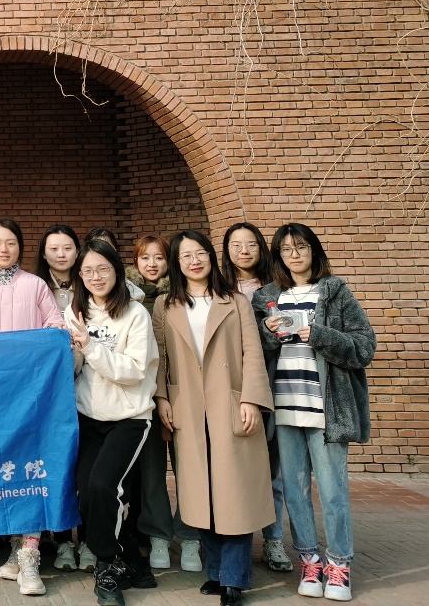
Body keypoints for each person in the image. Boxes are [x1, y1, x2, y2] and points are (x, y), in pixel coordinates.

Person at [254, 225, 375, 603]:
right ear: (278, 256)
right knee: (294, 491)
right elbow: (252, 352)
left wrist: (320, 335)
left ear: (314, 251)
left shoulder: (334, 291)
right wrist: (267, 332)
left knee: (333, 490)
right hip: (285, 408)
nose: (294, 255)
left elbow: (364, 346)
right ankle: (309, 561)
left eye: (301, 247)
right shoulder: (267, 296)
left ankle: (339, 564)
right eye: (286, 249)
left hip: (326, 409)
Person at [153, 231, 273, 606]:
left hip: (230, 404)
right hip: (186, 406)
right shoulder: (164, 305)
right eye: (186, 255)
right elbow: (160, 358)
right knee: (199, 492)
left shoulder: (234, 301)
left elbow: (252, 353)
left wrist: (251, 399)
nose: (194, 261)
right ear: (177, 263)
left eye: (200, 253)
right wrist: (161, 398)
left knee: (235, 492)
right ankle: (218, 572)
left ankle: (234, 579)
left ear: (210, 256)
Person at [0, 219, 65, 596]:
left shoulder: (36, 285)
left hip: (31, 396)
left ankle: (30, 556)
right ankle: (14, 545)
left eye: (10, 242)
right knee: (5, 470)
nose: (3, 249)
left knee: (31, 468)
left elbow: (55, 325)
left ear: (20, 247)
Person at [64, 238, 160, 606]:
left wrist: (89, 346)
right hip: (89, 415)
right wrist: (69, 350)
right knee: (86, 491)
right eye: (87, 271)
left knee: (105, 486)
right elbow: (75, 370)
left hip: (129, 417)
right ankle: (133, 561)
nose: (95, 277)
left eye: (102, 269)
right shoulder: (75, 312)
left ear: (117, 272)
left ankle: (106, 566)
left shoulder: (135, 314)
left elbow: (134, 371)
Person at [124, 234, 201, 572]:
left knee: (189, 467)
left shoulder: (183, 295)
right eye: (145, 258)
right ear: (135, 262)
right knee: (152, 471)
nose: (152, 264)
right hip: (145, 394)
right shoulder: (126, 297)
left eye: (159, 257)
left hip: (185, 392)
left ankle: (190, 534)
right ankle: (157, 533)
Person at [221, 223, 292, 574]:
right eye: (236, 245)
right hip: (228, 387)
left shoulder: (278, 287)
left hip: (272, 381)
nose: (244, 251)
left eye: (251, 244)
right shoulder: (218, 288)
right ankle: (229, 539)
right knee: (232, 467)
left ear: (262, 248)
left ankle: (274, 539)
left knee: (272, 468)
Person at [35, 223, 89, 570]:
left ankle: (88, 540)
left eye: (67, 247)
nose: (60, 254)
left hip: (90, 387)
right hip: (51, 392)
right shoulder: (36, 287)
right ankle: (61, 541)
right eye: (53, 248)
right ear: (43, 254)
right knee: (58, 466)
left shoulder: (91, 283)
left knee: (86, 469)